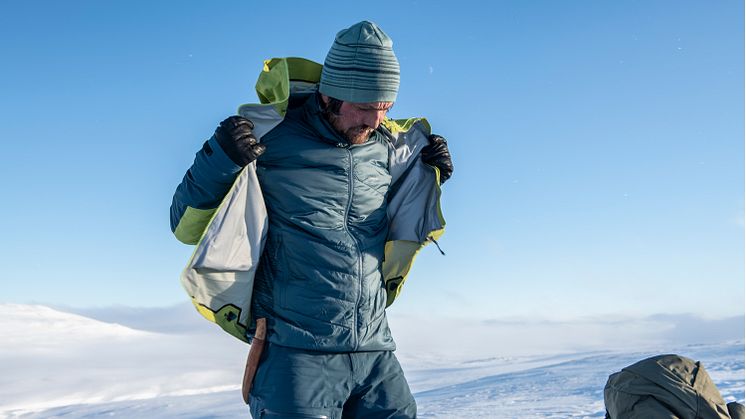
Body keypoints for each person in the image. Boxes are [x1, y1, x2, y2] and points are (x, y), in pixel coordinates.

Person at [170, 21, 453, 418]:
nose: (374, 121)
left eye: (384, 107)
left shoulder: (387, 148)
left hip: (374, 352)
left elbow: (403, 210)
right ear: (330, 94)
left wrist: (431, 175)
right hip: (295, 355)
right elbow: (184, 226)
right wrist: (219, 159)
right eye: (364, 107)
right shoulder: (271, 139)